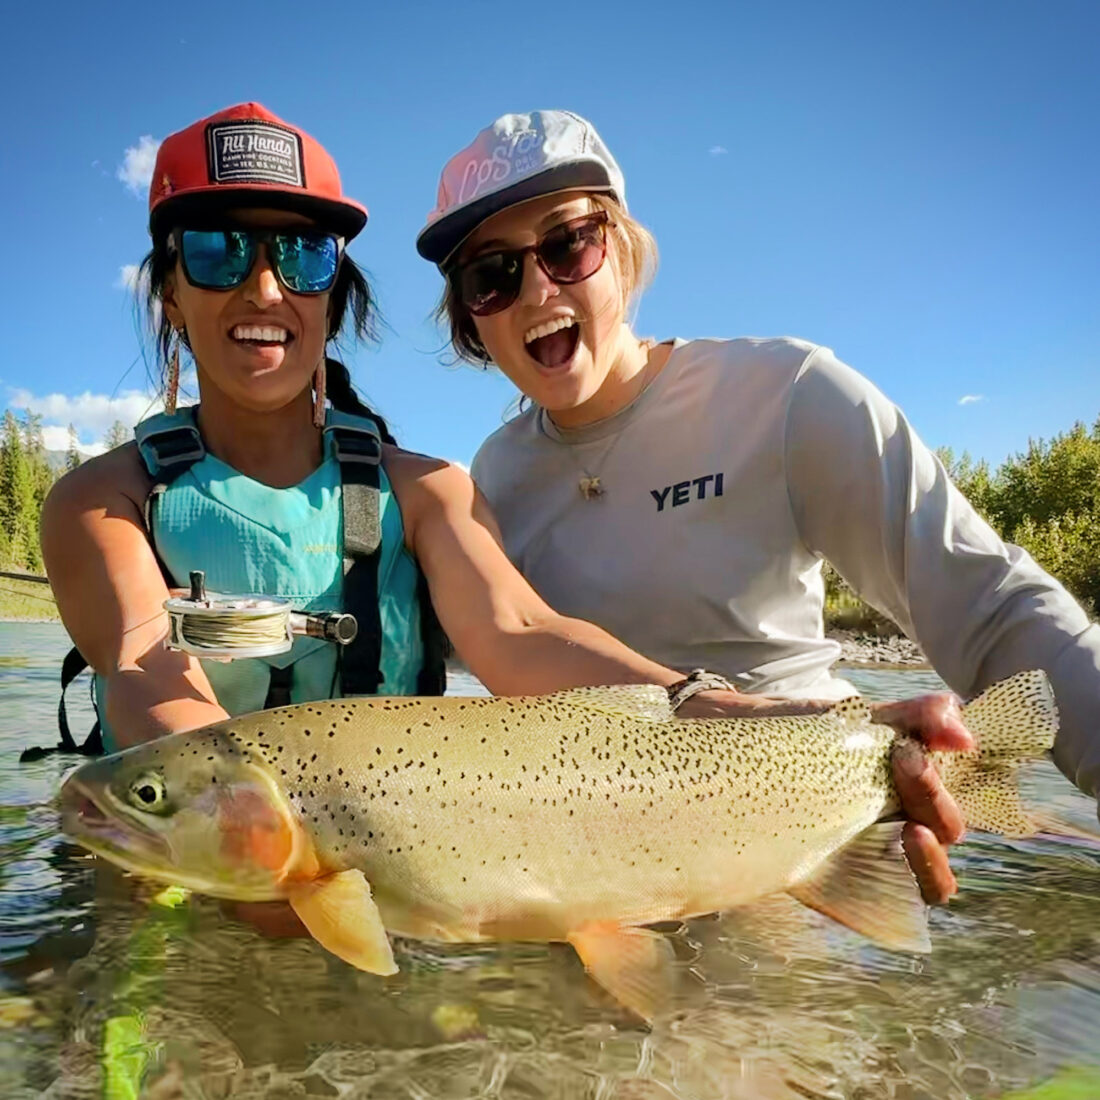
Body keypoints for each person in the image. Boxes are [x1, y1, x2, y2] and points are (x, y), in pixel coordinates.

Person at [42, 103, 961, 913]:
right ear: (167, 285)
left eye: (302, 252)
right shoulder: (101, 500)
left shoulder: (430, 486)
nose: (265, 286)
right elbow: (142, 669)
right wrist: (243, 840)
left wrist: (734, 715)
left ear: (337, 288)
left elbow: (522, 635)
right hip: (189, 883)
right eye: (217, 249)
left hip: (386, 893)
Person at [417, 109, 1100, 833]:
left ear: (619, 247)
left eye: (567, 244)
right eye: (491, 273)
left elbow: (990, 608)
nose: (535, 291)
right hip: (595, 870)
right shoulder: (490, 478)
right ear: (471, 314)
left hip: (804, 849)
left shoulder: (789, 394)